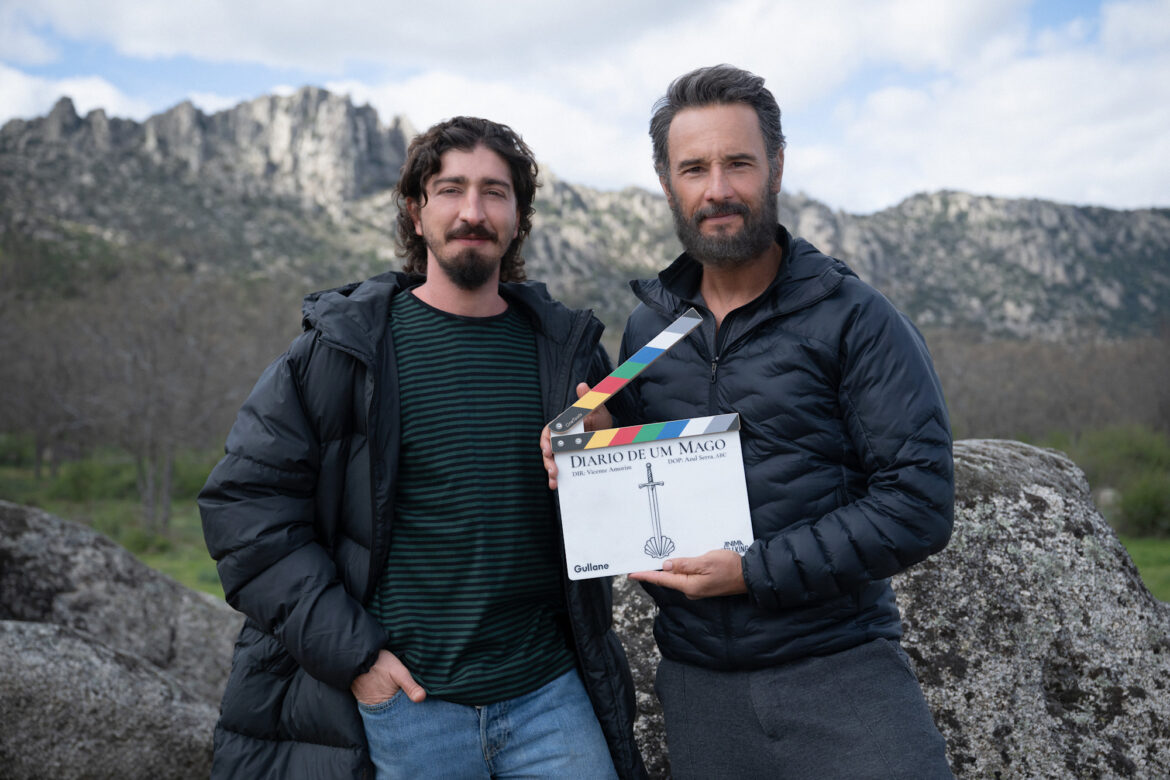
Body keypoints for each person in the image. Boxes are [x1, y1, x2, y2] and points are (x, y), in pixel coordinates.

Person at [200, 116, 645, 779]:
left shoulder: (570, 354)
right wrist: (357, 661)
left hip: (549, 697)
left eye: (495, 192)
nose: (473, 211)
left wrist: (609, 450)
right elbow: (243, 510)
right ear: (415, 209)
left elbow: (630, 520)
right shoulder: (340, 350)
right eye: (450, 189)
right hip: (405, 704)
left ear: (519, 216)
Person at [601, 64, 953, 777]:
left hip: (843, 676)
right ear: (668, 183)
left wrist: (752, 573)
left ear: (778, 166)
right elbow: (628, 490)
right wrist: (576, 455)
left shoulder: (856, 318)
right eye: (694, 168)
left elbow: (919, 505)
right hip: (698, 688)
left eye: (739, 163)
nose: (718, 190)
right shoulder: (648, 329)